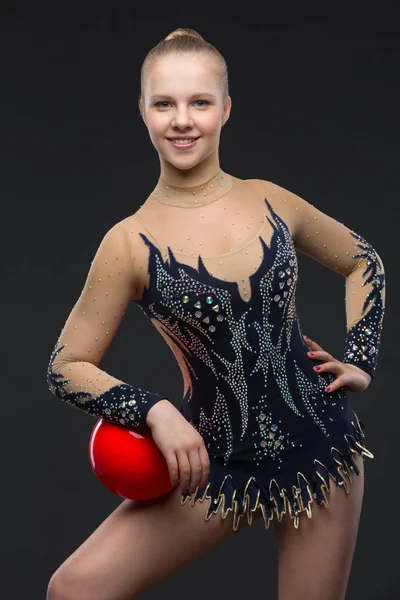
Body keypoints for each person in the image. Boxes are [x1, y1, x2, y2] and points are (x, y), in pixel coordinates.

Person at [46, 27, 385, 600]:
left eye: (199, 102)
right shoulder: (128, 242)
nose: (183, 119)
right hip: (211, 462)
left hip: (321, 451)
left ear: (225, 109)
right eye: (165, 103)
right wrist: (154, 412)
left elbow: (364, 261)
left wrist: (362, 359)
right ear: (144, 113)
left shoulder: (271, 199)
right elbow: (66, 364)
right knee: (74, 590)